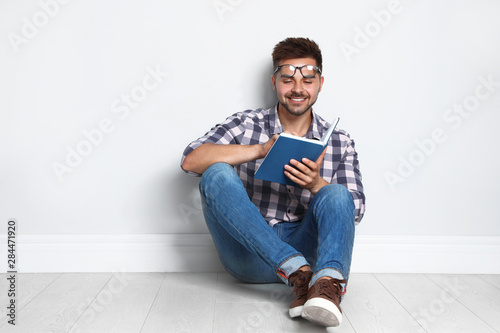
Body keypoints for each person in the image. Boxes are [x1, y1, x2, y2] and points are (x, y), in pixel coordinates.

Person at [180, 37, 365, 328]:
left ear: (320, 82)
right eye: (288, 79)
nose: (298, 89)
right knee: (216, 173)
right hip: (249, 254)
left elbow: (353, 211)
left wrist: (317, 184)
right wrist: (259, 150)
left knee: (336, 193)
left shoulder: (340, 142)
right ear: (274, 82)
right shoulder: (246, 124)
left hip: (309, 253)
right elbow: (190, 161)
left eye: (307, 79)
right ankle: (297, 272)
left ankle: (323, 287)